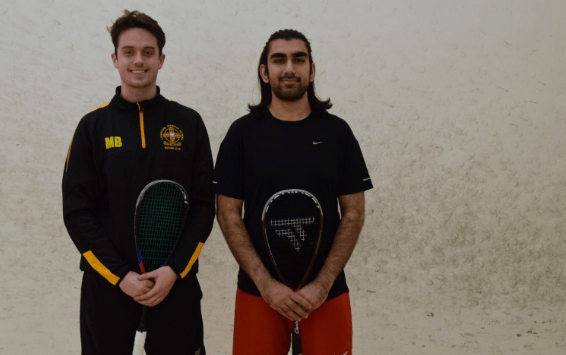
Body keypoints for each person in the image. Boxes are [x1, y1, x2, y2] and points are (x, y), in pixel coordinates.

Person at [62, 10, 214, 355]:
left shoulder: (189, 123)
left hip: (175, 285)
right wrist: (122, 277)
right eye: (128, 52)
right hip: (108, 288)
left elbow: (204, 206)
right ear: (114, 59)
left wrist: (174, 270)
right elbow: (77, 212)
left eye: (148, 52)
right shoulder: (92, 127)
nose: (138, 61)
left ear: (161, 59)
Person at [214, 29, 373, 355]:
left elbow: (354, 213)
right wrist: (266, 284)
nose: (289, 68)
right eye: (279, 60)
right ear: (264, 71)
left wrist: (323, 284)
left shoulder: (337, 133)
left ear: (311, 70)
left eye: (299, 60)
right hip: (259, 293)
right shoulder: (241, 134)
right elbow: (228, 213)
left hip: (326, 293)